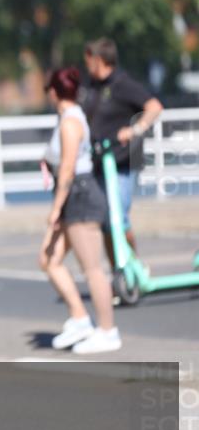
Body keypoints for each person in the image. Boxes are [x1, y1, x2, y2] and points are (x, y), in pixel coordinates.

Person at [40, 67, 120, 354]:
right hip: (75, 194)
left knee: (93, 269)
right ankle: (80, 318)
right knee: (49, 259)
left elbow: (68, 168)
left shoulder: (70, 122)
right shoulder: (68, 119)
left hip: (80, 196)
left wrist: (56, 208)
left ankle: (108, 331)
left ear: (53, 91)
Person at [82, 38, 163, 268]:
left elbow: (154, 107)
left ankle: (133, 267)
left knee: (119, 219)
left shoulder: (122, 83)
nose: (86, 66)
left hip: (121, 162)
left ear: (99, 60)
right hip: (99, 162)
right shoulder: (92, 86)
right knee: (106, 222)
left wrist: (134, 130)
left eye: (89, 61)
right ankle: (119, 271)